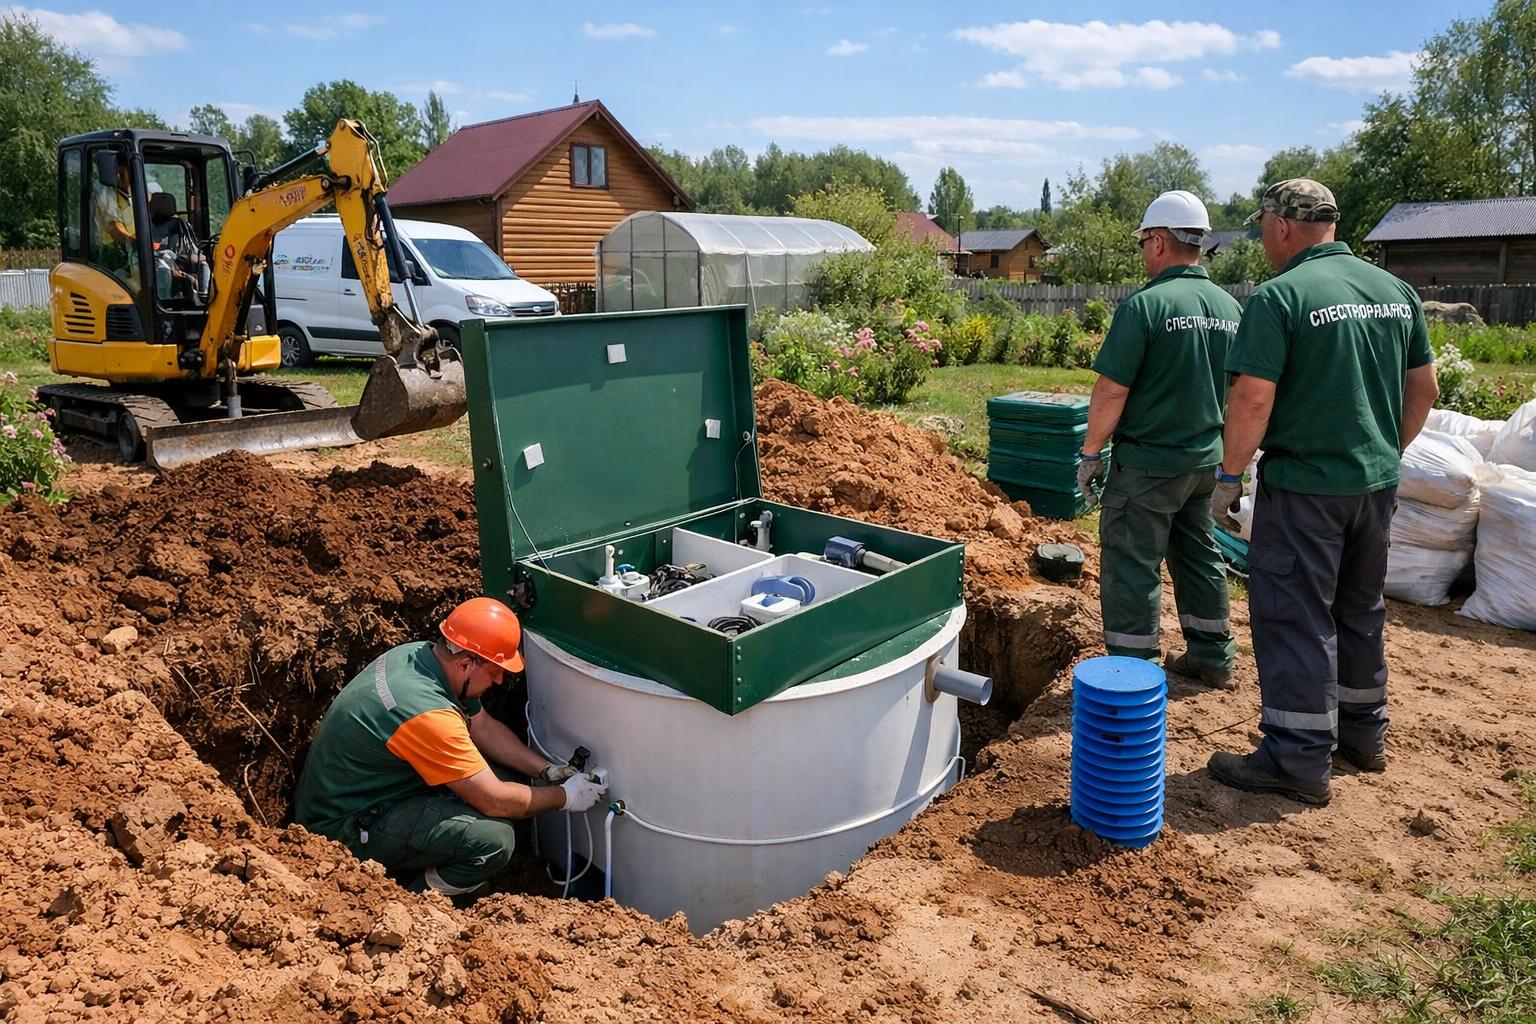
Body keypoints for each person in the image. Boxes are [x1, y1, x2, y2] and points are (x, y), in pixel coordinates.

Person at [1206, 179, 1439, 806]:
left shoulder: (1280, 298)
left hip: (1306, 489)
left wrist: (1229, 479)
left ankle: (1298, 759)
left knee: (1295, 617)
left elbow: (1253, 398)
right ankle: (1363, 736)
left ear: (1282, 227)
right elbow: (1425, 392)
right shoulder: (1395, 292)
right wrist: (1383, 453)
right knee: (1359, 609)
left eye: (1261, 226)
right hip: (1374, 485)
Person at [294, 596, 607, 898]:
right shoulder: (426, 713)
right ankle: (416, 903)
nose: (499, 681)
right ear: (467, 664)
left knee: (511, 781)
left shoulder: (420, 657)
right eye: (495, 671)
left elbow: (482, 727)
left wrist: (545, 769)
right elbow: (494, 801)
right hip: (343, 830)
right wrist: (566, 797)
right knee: (494, 841)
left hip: (372, 790)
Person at [1079, 190, 1242, 688]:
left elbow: (1111, 390)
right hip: (1203, 463)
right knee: (1198, 555)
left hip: (1149, 465)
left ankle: (1133, 673)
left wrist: (1090, 454)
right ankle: (1214, 658)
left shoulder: (1146, 306)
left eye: (1143, 242)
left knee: (1131, 561)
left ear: (1157, 241)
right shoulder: (1231, 308)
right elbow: (1241, 391)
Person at [93, 158, 139, 289]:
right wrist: (136, 242)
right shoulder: (107, 196)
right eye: (117, 171)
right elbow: (114, 228)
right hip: (115, 255)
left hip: (138, 252)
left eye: (122, 170)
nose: (119, 175)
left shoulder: (144, 194)